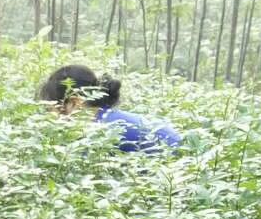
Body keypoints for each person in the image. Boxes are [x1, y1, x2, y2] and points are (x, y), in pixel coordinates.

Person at [38, 65, 182, 153]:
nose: (51, 117)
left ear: (75, 103)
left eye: (53, 109)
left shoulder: (101, 132)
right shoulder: (107, 116)